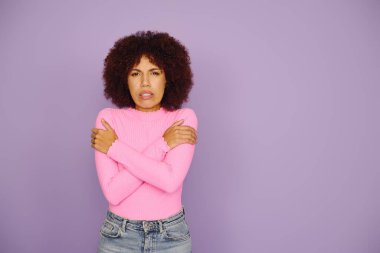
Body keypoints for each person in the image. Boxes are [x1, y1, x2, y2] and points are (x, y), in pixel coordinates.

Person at [90, 30, 198, 253]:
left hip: (171, 237)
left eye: (155, 72)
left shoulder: (182, 119)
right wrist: (163, 145)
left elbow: (169, 181)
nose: (145, 82)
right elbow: (113, 193)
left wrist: (115, 147)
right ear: (123, 78)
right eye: (136, 73)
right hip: (118, 236)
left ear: (169, 78)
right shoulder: (108, 119)